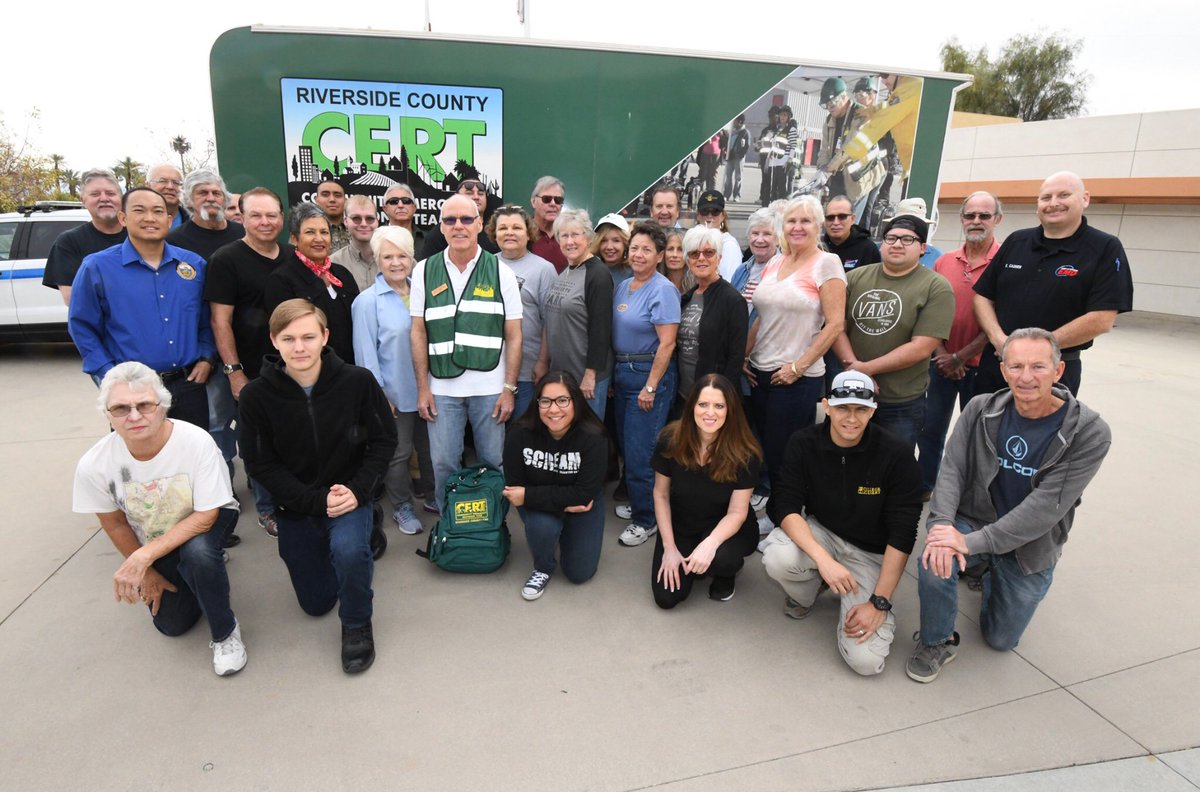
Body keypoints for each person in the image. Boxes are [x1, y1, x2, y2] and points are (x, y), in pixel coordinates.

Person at [906, 328, 1112, 683]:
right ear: (1003, 370)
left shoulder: (1090, 432)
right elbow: (952, 469)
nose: (1026, 377)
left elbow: (1046, 509)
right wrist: (941, 526)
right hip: (975, 518)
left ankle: (988, 570)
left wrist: (968, 545)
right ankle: (937, 640)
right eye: (1015, 366)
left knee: (1000, 640)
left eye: (1038, 367)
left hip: (1031, 542)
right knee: (935, 556)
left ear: (1059, 371)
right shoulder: (979, 409)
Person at [239, 300, 397, 674]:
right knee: (316, 602)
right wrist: (312, 500)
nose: (300, 348)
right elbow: (259, 462)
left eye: (309, 337)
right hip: (298, 503)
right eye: (289, 338)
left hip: (349, 495)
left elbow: (384, 442)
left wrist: (359, 492)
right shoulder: (256, 397)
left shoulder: (357, 382)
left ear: (325, 336)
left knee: (348, 553)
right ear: (274, 340)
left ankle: (357, 624)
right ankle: (355, 537)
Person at [73, 362, 245, 676]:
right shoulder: (94, 465)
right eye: (121, 408)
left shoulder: (195, 442)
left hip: (208, 517)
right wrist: (148, 571)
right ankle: (200, 570)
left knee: (198, 553)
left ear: (162, 405)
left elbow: (207, 515)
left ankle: (225, 632)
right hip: (156, 536)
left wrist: (144, 556)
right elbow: (115, 523)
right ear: (107, 414)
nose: (135, 416)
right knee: (173, 625)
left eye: (144, 405)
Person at [760, 370, 922, 676]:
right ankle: (808, 592)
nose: (851, 418)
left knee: (866, 663)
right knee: (777, 556)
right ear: (827, 405)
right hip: (824, 536)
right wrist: (824, 561)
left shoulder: (897, 454)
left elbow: (904, 531)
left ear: (873, 410)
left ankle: (861, 596)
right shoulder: (803, 443)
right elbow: (783, 504)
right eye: (843, 407)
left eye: (861, 409)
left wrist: (879, 602)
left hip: (871, 554)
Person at [973, 171, 1135, 396]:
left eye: (1064, 195)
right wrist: (999, 340)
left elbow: (1102, 319)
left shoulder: (1105, 248)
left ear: (1085, 199)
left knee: (1043, 431)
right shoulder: (1017, 241)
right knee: (982, 426)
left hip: (1055, 370)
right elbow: (982, 296)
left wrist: (1036, 350)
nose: (1053, 203)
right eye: (1046, 197)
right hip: (997, 363)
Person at [68, 187, 214, 430]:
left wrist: (207, 357)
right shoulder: (97, 267)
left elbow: (206, 318)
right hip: (132, 389)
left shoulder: (193, 265)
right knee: (138, 461)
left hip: (188, 383)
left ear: (169, 220)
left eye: (158, 211)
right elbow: (81, 326)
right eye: (139, 210)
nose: (150, 218)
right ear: (123, 218)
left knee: (190, 456)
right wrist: (109, 375)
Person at [410, 194, 522, 508]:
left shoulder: (502, 272)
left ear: (479, 225)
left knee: (492, 462)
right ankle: (451, 529)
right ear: (441, 227)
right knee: (444, 464)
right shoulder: (423, 270)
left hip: (490, 389)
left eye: (466, 219)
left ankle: (491, 529)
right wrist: (423, 389)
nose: (458, 226)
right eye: (450, 220)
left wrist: (509, 388)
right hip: (442, 390)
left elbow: (514, 336)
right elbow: (418, 331)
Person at [205, 187, 293, 537]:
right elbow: (219, 321)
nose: (265, 221)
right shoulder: (226, 260)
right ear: (240, 216)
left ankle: (292, 500)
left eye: (272, 215)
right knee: (258, 444)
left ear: (282, 218)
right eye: (256, 215)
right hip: (252, 371)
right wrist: (234, 371)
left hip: (292, 368)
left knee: (292, 439)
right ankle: (268, 509)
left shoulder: (291, 256)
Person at [746, 195, 846, 490]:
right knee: (764, 446)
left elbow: (836, 323)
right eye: (791, 221)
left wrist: (798, 367)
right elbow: (762, 315)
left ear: (818, 226)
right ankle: (772, 501)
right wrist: (744, 356)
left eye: (805, 221)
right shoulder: (777, 261)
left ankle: (784, 518)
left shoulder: (827, 263)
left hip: (795, 378)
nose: (797, 227)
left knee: (785, 454)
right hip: (760, 373)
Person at [833, 213, 954, 452]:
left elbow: (922, 346)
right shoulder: (854, 278)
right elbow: (836, 328)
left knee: (892, 468)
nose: (897, 244)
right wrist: (856, 371)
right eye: (891, 238)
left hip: (900, 402)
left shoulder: (936, 287)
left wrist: (866, 370)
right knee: (844, 459)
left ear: (923, 248)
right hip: (850, 393)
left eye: (908, 239)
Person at [917, 192, 1003, 499]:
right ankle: (926, 485)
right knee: (930, 428)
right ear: (962, 219)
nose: (976, 221)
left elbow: (1001, 319)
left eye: (984, 216)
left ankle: (969, 494)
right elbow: (930, 312)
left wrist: (961, 357)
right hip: (940, 364)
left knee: (978, 434)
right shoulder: (944, 262)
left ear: (997, 220)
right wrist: (943, 355)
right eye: (970, 215)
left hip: (983, 367)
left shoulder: (1006, 263)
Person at [651, 373, 762, 606]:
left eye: (719, 406)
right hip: (684, 522)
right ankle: (692, 556)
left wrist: (710, 544)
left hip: (727, 525)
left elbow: (737, 512)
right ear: (692, 406)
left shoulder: (746, 452)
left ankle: (725, 575)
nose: (710, 413)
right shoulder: (670, 439)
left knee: (721, 558)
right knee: (666, 598)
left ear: (729, 410)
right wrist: (669, 548)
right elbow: (660, 495)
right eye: (703, 404)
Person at [503, 371, 609, 601]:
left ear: (575, 402)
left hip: (582, 505)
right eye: (546, 401)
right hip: (546, 504)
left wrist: (531, 496)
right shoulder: (518, 434)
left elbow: (584, 495)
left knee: (580, 573)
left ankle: (566, 532)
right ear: (537, 402)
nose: (553, 409)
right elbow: (514, 489)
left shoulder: (594, 437)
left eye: (562, 400)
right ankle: (543, 567)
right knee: (543, 527)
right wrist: (563, 504)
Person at [352, 226, 429, 536]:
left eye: (402, 256)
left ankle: (435, 497)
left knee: (430, 449)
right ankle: (401, 505)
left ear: (412, 258)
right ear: (376, 259)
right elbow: (365, 353)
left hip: (431, 389)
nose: (396, 263)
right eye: (388, 256)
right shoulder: (368, 302)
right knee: (398, 453)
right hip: (394, 392)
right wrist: (379, 394)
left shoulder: (423, 292)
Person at [611, 222, 680, 548]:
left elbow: (667, 344)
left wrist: (650, 387)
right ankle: (642, 503)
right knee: (629, 447)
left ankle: (647, 520)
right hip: (623, 372)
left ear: (660, 255)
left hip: (647, 375)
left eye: (646, 250)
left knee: (642, 453)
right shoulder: (625, 286)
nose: (638, 254)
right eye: (635, 248)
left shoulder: (662, 289)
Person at [264, 202, 359, 366]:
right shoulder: (281, 280)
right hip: (310, 372)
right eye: (310, 232)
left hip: (349, 371)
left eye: (324, 232)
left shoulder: (343, 274)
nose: (319, 239)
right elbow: (286, 336)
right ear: (294, 238)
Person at [543, 208, 614, 418]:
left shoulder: (598, 275)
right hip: (563, 376)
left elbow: (601, 329)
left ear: (588, 237)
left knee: (588, 438)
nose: (569, 241)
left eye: (575, 234)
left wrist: (590, 374)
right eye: (564, 235)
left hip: (586, 378)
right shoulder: (566, 271)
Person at [487, 204, 556, 417]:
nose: (509, 232)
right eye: (503, 228)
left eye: (516, 227)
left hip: (529, 371)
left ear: (528, 233)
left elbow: (550, 322)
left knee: (523, 432)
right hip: (490, 371)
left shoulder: (544, 269)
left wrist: (543, 362)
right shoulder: (484, 266)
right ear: (494, 234)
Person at [677, 226, 749, 402]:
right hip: (683, 394)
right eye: (694, 253)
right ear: (687, 261)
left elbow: (736, 358)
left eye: (709, 252)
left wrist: (722, 398)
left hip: (713, 397)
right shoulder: (686, 297)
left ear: (719, 258)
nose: (701, 258)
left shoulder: (733, 300)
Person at [42, 168, 126, 305]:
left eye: (111, 193)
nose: (104, 198)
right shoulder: (69, 242)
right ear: (83, 200)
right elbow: (73, 299)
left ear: (121, 199)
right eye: (95, 194)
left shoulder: (140, 236)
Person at [814, 80, 886, 224]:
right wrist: (821, 167)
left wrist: (828, 168)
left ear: (843, 97)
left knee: (850, 224)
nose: (829, 108)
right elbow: (824, 149)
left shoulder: (861, 115)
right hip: (839, 176)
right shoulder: (830, 120)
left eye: (831, 104)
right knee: (835, 220)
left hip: (861, 178)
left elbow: (849, 148)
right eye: (826, 105)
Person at [166, 169, 245, 260]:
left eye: (216, 193)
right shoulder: (174, 241)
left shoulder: (244, 234)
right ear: (188, 200)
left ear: (225, 199)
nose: (211, 198)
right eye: (203, 193)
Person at [419, 177, 500, 259]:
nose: (476, 197)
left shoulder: (496, 230)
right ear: (456, 196)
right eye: (469, 193)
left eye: (480, 193)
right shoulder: (439, 233)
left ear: (479, 225)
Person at [731, 207, 781, 312]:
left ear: (778, 239)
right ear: (749, 236)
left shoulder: (784, 271)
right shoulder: (741, 270)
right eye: (755, 233)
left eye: (767, 234)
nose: (759, 240)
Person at [331, 195, 380, 291]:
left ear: (377, 221)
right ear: (345, 221)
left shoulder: (399, 260)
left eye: (369, 218)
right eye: (356, 218)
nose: (364, 224)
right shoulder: (334, 263)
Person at [693, 190, 745, 281]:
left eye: (715, 211)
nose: (709, 215)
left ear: (722, 216)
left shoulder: (729, 245)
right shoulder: (691, 241)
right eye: (705, 211)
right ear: (698, 215)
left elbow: (728, 281)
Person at [822, 194, 881, 273]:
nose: (835, 222)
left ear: (852, 219)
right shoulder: (817, 247)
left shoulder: (867, 249)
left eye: (842, 216)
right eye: (830, 217)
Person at [529, 176, 567, 272]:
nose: (553, 203)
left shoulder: (569, 235)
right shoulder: (523, 233)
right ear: (533, 202)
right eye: (546, 199)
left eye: (558, 200)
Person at [765, 105, 798, 203]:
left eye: (785, 115)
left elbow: (793, 145)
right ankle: (772, 206)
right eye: (781, 115)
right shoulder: (776, 130)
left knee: (781, 187)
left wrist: (789, 159)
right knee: (772, 187)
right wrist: (767, 160)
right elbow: (771, 146)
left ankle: (781, 208)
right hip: (773, 162)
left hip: (783, 162)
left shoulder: (791, 130)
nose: (782, 117)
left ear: (788, 117)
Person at [382, 183, 426, 255]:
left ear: (414, 208)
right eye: (394, 201)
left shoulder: (428, 240)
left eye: (406, 201)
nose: (400, 205)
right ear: (385, 209)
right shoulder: (375, 238)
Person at [591, 212, 631, 287]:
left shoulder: (635, 274)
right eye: (604, 240)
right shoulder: (590, 270)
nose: (609, 247)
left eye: (616, 240)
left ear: (625, 243)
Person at [146, 163, 188, 229]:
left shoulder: (197, 225)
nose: (170, 187)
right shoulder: (129, 224)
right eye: (163, 181)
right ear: (148, 185)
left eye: (176, 182)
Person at [312, 179, 350, 253]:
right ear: (316, 200)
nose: (332, 199)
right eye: (325, 195)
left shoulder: (356, 228)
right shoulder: (306, 230)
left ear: (345, 201)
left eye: (337, 195)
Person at [722, 114, 750, 201]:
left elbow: (747, 146)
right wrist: (726, 151)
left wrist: (740, 154)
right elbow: (728, 143)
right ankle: (726, 195)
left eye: (735, 120)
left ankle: (736, 195)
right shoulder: (731, 132)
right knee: (728, 177)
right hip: (730, 157)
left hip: (739, 158)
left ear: (740, 122)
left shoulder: (745, 132)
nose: (733, 122)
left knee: (738, 177)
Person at [658, 229, 694, 294]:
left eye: (680, 250)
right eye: (670, 249)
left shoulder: (696, 285)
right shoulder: (654, 285)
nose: (675, 255)